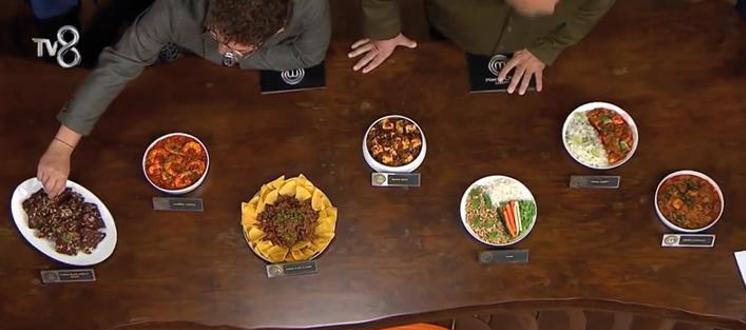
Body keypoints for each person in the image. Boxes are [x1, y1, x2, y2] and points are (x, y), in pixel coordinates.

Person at [36, 0, 331, 197]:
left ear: (279, 30)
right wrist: (62, 145)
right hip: (176, 40)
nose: (223, 53)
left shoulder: (310, 6)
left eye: (238, 49)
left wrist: (239, 60)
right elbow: (121, 62)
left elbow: (308, 54)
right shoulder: (174, 8)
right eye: (218, 38)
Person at [349, 0, 615, 95]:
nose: (547, 7)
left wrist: (546, 47)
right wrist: (383, 30)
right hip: (446, 26)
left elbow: (594, 7)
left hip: (535, 41)